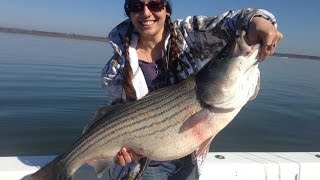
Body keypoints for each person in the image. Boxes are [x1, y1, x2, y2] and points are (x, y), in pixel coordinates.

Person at [100, 0, 283, 179]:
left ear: (167, 10)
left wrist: (258, 21)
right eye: (137, 6)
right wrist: (123, 153)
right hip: (146, 164)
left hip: (191, 158)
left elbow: (237, 20)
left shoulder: (189, 33)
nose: (146, 13)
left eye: (155, 4)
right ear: (129, 12)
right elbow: (117, 115)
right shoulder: (115, 70)